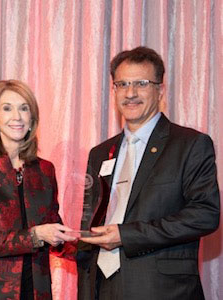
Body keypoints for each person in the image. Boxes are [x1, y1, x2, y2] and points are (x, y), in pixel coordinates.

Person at [77, 46, 220, 300]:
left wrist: (126, 235)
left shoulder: (190, 144)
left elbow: (205, 214)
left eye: (141, 84)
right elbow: (90, 221)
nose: (130, 93)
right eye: (122, 84)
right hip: (101, 286)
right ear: (114, 90)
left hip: (161, 289)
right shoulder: (100, 153)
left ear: (160, 89)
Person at [0, 80, 76, 300]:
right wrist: (35, 235)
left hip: (36, 290)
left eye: (24, 108)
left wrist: (88, 242)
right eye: (7, 108)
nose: (17, 117)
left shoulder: (45, 169)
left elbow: (52, 227)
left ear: (32, 120)